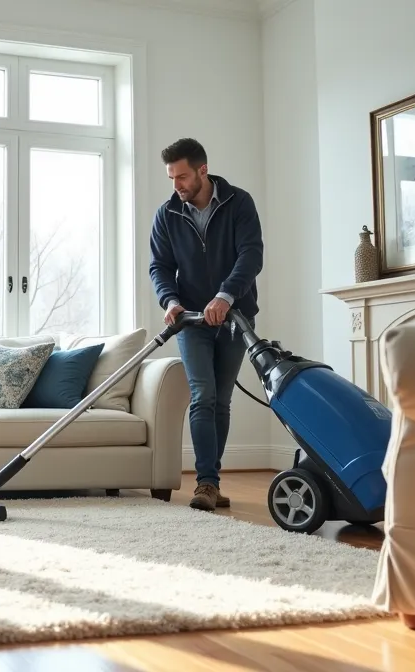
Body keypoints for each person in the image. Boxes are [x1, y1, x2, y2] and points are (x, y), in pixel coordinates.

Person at [148, 138, 264, 512]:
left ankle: (212, 481)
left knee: (222, 400)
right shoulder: (167, 214)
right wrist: (171, 301)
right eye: (171, 178)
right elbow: (160, 267)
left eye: (182, 176)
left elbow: (251, 254)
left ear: (202, 170)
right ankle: (206, 483)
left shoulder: (238, 203)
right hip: (192, 320)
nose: (177, 185)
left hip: (235, 316)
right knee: (203, 395)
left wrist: (226, 296)